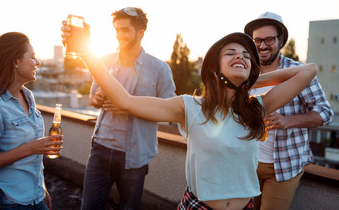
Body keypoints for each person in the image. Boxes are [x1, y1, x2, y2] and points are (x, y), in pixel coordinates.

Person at [75, 26, 317, 210]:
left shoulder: (256, 108)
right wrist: (86, 53)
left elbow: (309, 70)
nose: (241, 57)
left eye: (246, 56)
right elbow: (125, 101)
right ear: (214, 68)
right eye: (231, 53)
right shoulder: (189, 107)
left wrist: (250, 78)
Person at [61, 7, 176, 210]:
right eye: (116, 30)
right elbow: (92, 98)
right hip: (100, 149)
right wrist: (96, 98)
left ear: (140, 33)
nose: (119, 35)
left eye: (125, 30)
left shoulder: (160, 69)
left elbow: (169, 111)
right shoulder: (104, 61)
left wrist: (131, 107)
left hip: (134, 156)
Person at [244, 12, 334, 210]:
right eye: (257, 40)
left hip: (284, 167)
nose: (262, 45)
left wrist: (287, 121)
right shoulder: (246, 72)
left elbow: (326, 112)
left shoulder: (298, 72)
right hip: (247, 164)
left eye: (269, 39)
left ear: (281, 40)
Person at [0, 32, 63, 210]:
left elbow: (34, 159)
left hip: (35, 197)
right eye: (32, 57)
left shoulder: (28, 96)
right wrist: (32, 147)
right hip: (6, 202)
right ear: (15, 62)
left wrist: (42, 187)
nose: (38, 62)